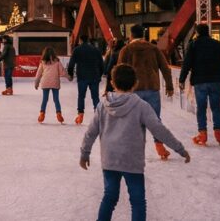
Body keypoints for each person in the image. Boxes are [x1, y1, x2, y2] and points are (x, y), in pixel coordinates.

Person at [80, 64, 190, 221]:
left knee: (109, 197)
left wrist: (84, 153)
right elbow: (159, 129)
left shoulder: (102, 106)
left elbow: (91, 132)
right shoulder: (141, 106)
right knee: (137, 201)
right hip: (132, 161)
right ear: (135, 83)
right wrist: (179, 148)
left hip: (110, 160)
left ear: (113, 82)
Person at [117, 24, 175, 160]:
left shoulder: (126, 50)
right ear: (143, 35)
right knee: (155, 119)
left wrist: (117, 90)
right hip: (152, 89)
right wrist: (169, 86)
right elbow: (165, 68)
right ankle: (159, 145)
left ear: (131, 35)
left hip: (133, 90)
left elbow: (118, 71)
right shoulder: (153, 48)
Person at [179, 24, 220, 146]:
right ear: (208, 32)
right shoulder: (217, 44)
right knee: (216, 107)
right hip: (216, 81)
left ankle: (203, 133)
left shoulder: (193, 45)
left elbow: (186, 64)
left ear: (197, 33)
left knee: (201, 107)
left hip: (200, 81)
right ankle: (218, 131)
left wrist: (182, 79)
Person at [69, 34, 105, 125]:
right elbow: (101, 65)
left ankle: (80, 114)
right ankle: (98, 115)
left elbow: (71, 64)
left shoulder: (77, 50)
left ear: (80, 40)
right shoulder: (96, 50)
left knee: (81, 96)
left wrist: (70, 74)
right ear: (88, 40)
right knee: (95, 97)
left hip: (82, 76)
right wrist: (99, 75)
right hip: (94, 76)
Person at [35, 47, 71, 124]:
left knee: (45, 99)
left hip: (45, 82)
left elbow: (38, 74)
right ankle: (59, 114)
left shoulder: (43, 62)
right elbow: (62, 72)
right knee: (56, 99)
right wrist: (68, 77)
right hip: (55, 82)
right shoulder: (57, 62)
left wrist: (36, 83)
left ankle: (42, 114)